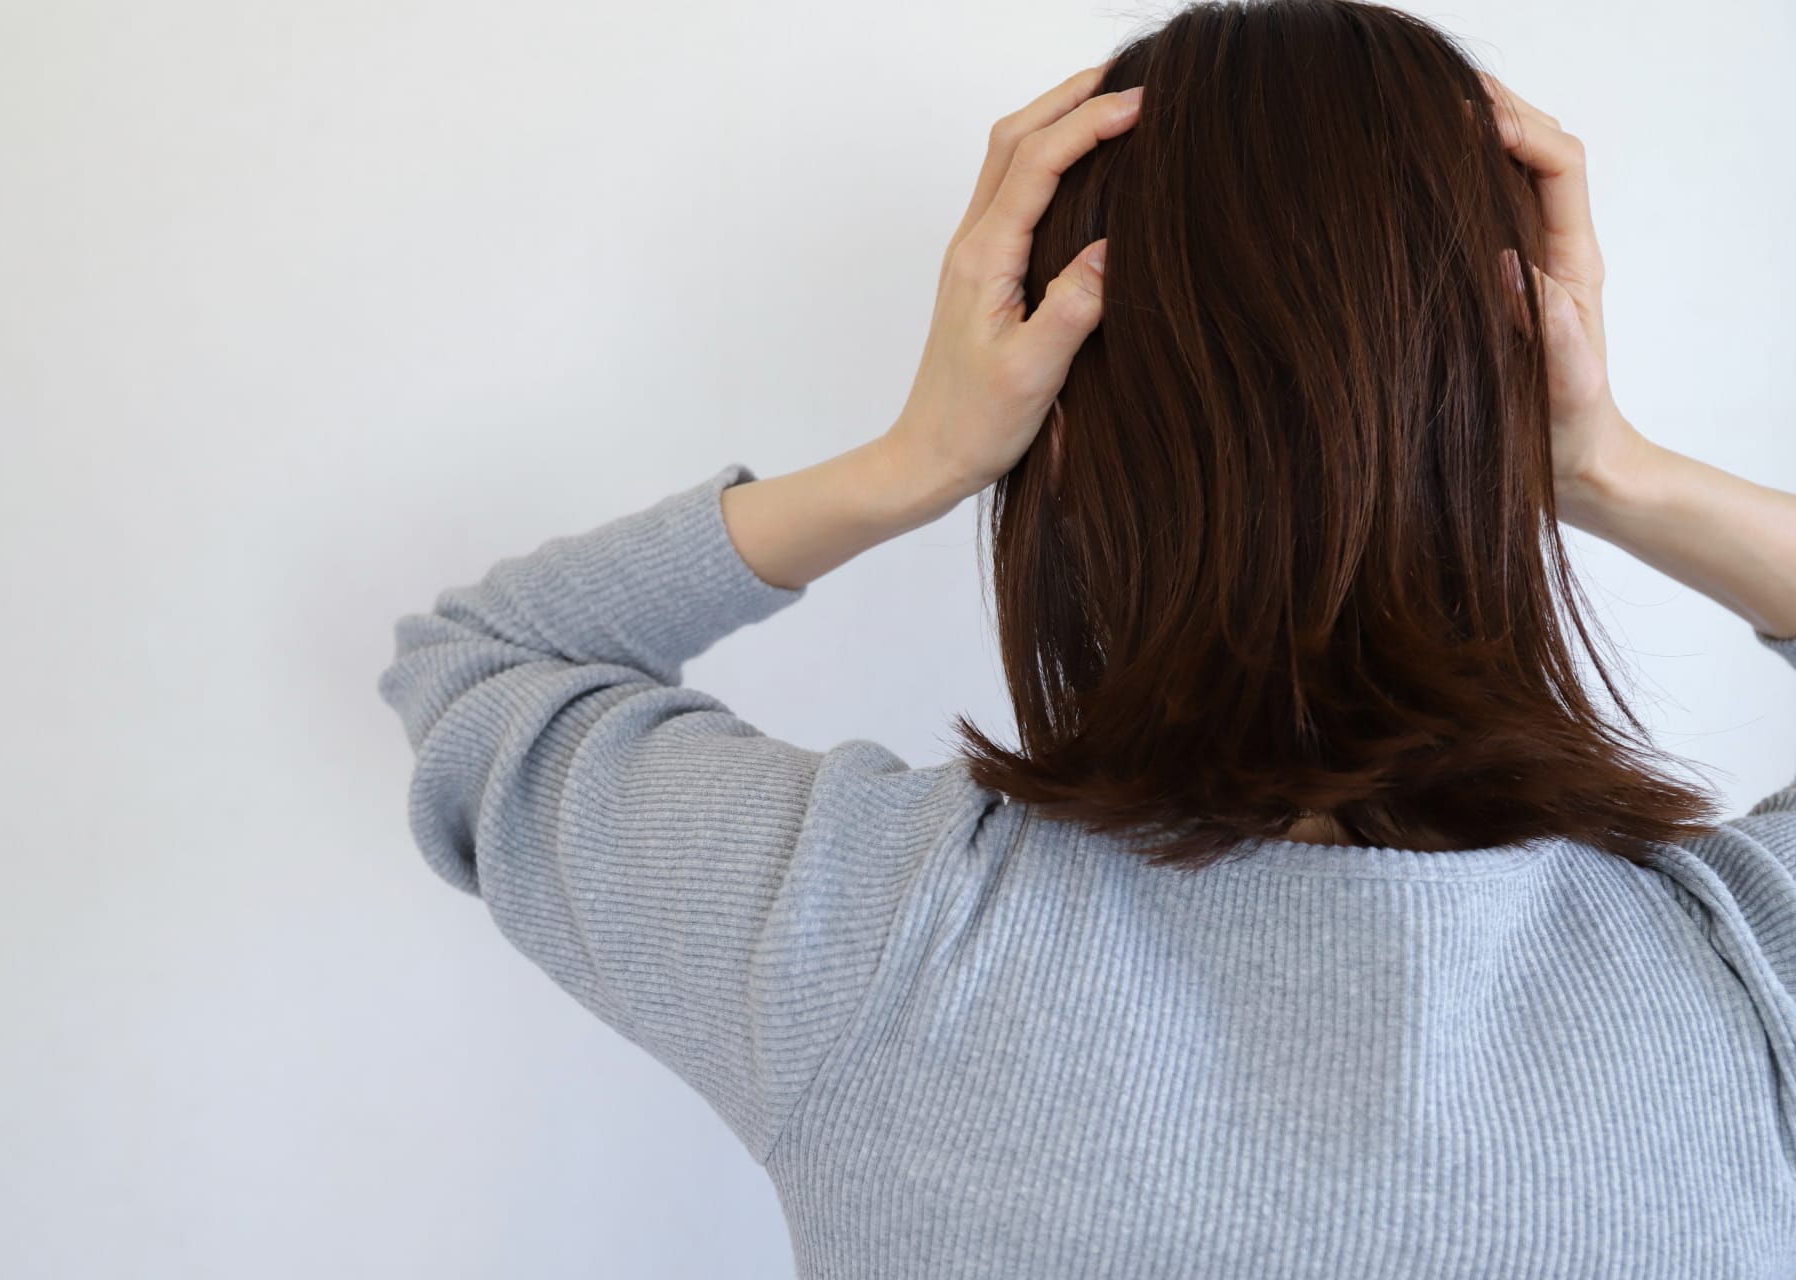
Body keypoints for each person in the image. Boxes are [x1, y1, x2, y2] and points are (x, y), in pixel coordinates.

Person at [376, 1, 1796, 1273]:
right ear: (1514, 396)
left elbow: (488, 663)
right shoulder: (1740, 969)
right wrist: (1609, 467)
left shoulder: (862, 927)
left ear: (1055, 433)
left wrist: (920, 457)